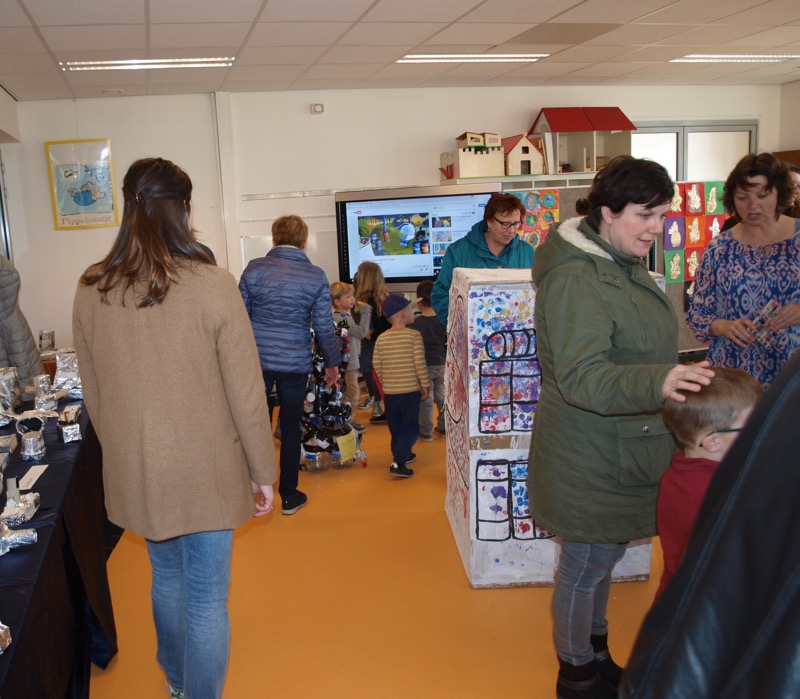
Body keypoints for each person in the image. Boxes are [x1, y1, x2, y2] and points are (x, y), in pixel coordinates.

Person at [72, 157, 277, 699]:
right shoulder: (212, 284)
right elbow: (246, 391)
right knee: (208, 595)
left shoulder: (91, 289)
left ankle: (178, 684)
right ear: (185, 211)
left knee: (166, 578)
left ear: (127, 208)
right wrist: (264, 471)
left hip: (142, 470)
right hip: (209, 467)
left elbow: (92, 393)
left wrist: (123, 454)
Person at [527, 155, 715, 699]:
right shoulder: (576, 279)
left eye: (662, 215)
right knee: (585, 566)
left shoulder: (615, 260)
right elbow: (583, 377)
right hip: (590, 453)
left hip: (620, 445)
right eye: (645, 214)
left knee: (601, 561)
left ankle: (597, 652)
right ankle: (576, 674)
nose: (657, 228)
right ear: (607, 212)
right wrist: (661, 381)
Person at [621, 350, 800, 699]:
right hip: (700, 618)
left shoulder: (683, 471)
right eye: (754, 427)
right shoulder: (712, 493)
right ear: (713, 441)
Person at [239, 214, 339, 515]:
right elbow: (323, 326)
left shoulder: (254, 269)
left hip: (255, 360)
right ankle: (289, 494)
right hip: (295, 362)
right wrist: (333, 362)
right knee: (291, 426)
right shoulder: (315, 276)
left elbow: (238, 316)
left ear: (274, 239)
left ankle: (253, 489)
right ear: (304, 242)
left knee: (255, 424)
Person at [687, 152, 800, 388]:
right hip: (734, 373)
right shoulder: (720, 249)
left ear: (780, 193)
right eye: (742, 197)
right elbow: (698, 313)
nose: (752, 205)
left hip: (792, 373)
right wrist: (724, 326)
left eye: (762, 195)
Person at [655, 367, 762, 600]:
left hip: (678, 602)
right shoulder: (721, 494)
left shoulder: (680, 473)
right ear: (713, 442)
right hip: (711, 613)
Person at [431, 192, 533, 328]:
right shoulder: (458, 252)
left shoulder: (527, 252)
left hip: (517, 336)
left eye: (516, 224)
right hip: (473, 336)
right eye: (505, 224)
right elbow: (441, 294)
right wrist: (458, 326)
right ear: (489, 221)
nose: (512, 230)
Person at [373, 293, 430, 478]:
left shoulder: (381, 339)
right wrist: (425, 384)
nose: (415, 312)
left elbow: (377, 365)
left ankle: (403, 453)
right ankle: (398, 462)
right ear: (404, 313)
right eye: (412, 309)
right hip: (410, 392)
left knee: (396, 426)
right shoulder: (413, 336)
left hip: (390, 393)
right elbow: (419, 363)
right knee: (411, 427)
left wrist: (386, 382)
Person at [331, 280, 371, 433]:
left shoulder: (344, 316)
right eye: (348, 297)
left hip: (348, 362)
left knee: (347, 393)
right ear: (337, 301)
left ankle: (345, 419)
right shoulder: (342, 317)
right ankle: (348, 420)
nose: (352, 299)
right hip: (348, 363)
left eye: (352, 296)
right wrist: (366, 312)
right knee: (353, 393)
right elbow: (360, 332)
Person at [353, 261, 390, 422]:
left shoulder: (364, 300)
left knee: (371, 372)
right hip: (382, 342)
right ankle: (378, 400)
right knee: (378, 375)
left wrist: (370, 333)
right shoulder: (384, 297)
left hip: (373, 343)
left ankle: (377, 400)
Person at [409, 279, 446, 440]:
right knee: (442, 397)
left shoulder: (415, 324)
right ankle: (444, 428)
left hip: (424, 367)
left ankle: (426, 431)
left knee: (426, 399)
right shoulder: (443, 320)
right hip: (442, 363)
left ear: (418, 302)